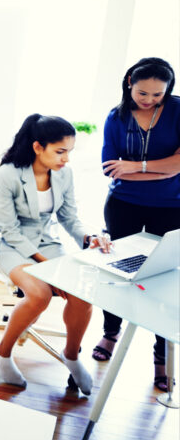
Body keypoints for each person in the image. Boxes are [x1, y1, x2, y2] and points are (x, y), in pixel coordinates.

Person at [0, 114, 109, 393]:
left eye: (70, 152)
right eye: (60, 151)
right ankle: (3, 354)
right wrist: (48, 268)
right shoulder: (6, 175)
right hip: (11, 245)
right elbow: (9, 229)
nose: (66, 159)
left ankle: (72, 356)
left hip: (47, 241)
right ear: (37, 147)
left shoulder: (64, 174)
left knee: (81, 293)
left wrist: (89, 237)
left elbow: (69, 217)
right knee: (40, 294)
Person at [93, 57, 180, 393]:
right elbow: (109, 168)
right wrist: (160, 167)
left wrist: (134, 166)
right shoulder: (116, 116)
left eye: (158, 94)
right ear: (129, 82)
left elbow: (177, 167)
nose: (149, 100)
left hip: (171, 207)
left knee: (162, 280)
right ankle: (110, 333)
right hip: (123, 205)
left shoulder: (177, 110)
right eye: (143, 92)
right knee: (117, 273)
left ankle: (162, 357)